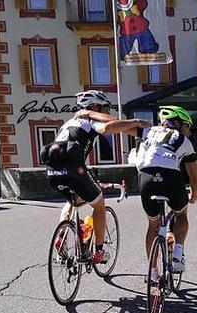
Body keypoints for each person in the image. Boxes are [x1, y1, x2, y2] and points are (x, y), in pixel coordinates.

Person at [42, 90, 151, 264]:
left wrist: (139, 131)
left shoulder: (69, 123)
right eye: (104, 108)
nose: (106, 112)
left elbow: (121, 127)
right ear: (94, 107)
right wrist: (137, 121)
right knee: (99, 205)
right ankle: (98, 252)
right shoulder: (89, 121)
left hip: (52, 171)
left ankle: (61, 237)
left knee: (71, 202)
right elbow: (108, 127)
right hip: (74, 170)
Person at [134, 105, 197, 274]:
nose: (189, 132)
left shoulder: (149, 131)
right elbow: (194, 176)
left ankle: (153, 271)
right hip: (171, 178)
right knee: (181, 214)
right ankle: (178, 253)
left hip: (146, 178)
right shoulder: (183, 140)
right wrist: (193, 195)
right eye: (187, 126)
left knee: (153, 225)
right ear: (178, 124)